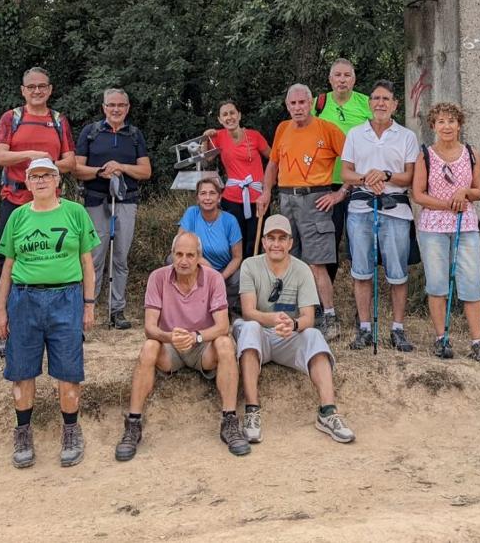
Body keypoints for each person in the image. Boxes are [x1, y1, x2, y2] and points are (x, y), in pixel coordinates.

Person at [0, 157, 100, 468]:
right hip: (24, 299)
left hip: (67, 297)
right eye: (34, 176)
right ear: (27, 183)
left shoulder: (75, 213)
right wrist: (1, 309)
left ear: (57, 181)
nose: (40, 181)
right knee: (21, 370)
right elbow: (8, 268)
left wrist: (89, 304)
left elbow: (87, 264)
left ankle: (71, 431)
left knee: (68, 370)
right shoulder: (17, 217)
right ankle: (23, 432)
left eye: (47, 175)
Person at [114, 231, 250, 462]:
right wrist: (170, 336)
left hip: (202, 346)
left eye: (189, 255)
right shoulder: (158, 278)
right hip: (171, 345)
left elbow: (223, 325)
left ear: (199, 257)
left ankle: (229, 420)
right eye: (178, 254)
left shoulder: (213, 278)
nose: (183, 261)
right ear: (172, 255)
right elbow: (150, 327)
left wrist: (196, 337)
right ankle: (133, 424)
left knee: (226, 344)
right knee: (148, 346)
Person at [233, 215, 355, 444]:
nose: (276, 244)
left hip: (288, 334)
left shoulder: (302, 270)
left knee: (314, 334)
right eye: (271, 238)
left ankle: (328, 412)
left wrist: (293, 325)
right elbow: (248, 311)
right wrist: (272, 319)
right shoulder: (250, 265)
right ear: (264, 242)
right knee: (247, 327)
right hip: (260, 333)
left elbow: (308, 317)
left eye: (282, 238)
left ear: (290, 242)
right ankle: (252, 410)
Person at [0, 66, 77, 355]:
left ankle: (62, 325)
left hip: (52, 205)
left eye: (42, 86)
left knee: (57, 258)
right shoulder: (11, 118)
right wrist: (32, 156)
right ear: (23, 90)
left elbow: (70, 161)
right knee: (8, 264)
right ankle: (5, 327)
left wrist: (47, 167)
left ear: (50, 89)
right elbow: (0, 156)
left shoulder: (58, 120)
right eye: (32, 87)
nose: (37, 91)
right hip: (15, 200)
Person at [256, 84, 347, 340]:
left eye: (302, 103)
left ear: (310, 104)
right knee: (286, 259)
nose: (297, 108)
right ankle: (292, 315)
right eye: (292, 104)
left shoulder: (327, 129)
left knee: (317, 263)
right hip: (286, 200)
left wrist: (340, 193)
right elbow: (273, 163)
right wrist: (265, 192)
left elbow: (353, 159)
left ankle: (329, 317)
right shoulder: (282, 128)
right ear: (287, 106)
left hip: (316, 198)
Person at [339, 80, 419, 352]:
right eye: (375, 98)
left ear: (395, 104)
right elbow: (345, 173)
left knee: (397, 273)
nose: (380, 103)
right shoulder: (355, 133)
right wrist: (366, 177)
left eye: (386, 98)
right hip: (360, 208)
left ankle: (397, 328)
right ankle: (364, 328)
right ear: (369, 103)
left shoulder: (407, 136)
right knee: (361, 271)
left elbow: (409, 177)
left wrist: (385, 175)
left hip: (396, 209)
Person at [411, 102, 480, 364]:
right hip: (433, 227)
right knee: (437, 283)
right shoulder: (425, 154)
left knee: (471, 283)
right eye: (441, 122)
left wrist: (465, 193)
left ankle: (478, 341)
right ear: (433, 126)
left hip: (465, 225)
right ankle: (440, 338)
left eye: (451, 121)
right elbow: (418, 194)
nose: (446, 126)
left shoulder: (471, 153)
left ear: (459, 124)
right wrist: (447, 204)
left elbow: (478, 190)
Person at [75, 87, 151, 330]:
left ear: (127, 108)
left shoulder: (135, 135)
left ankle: (117, 310)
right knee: (94, 257)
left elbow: (146, 171)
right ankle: (88, 308)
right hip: (96, 200)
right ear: (103, 108)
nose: (116, 109)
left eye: (121, 105)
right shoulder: (91, 132)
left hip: (126, 200)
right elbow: (77, 169)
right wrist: (100, 172)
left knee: (120, 257)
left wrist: (122, 167)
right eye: (111, 105)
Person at [314, 59, 372, 284]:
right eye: (337, 75)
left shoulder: (366, 103)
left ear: (354, 79)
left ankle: (362, 303)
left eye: (347, 75)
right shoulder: (317, 104)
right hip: (326, 183)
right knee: (327, 240)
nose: (342, 80)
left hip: (359, 182)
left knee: (360, 240)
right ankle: (324, 299)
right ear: (330, 79)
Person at [202, 100, 271, 254]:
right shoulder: (218, 136)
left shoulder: (254, 136)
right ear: (220, 120)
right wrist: (205, 139)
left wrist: (267, 187)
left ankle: (254, 275)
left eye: (232, 113)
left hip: (257, 197)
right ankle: (236, 276)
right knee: (236, 241)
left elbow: (273, 159)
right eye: (224, 115)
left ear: (239, 115)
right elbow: (206, 160)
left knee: (256, 242)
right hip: (232, 199)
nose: (229, 117)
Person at [177, 177, 243, 307]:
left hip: (222, 271)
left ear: (219, 198)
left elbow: (237, 257)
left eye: (212, 193)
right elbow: (180, 244)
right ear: (197, 198)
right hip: (196, 266)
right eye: (203, 193)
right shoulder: (191, 213)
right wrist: (202, 261)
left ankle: (225, 306)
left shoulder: (230, 221)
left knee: (241, 276)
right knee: (172, 260)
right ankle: (186, 303)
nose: (207, 198)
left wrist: (220, 277)